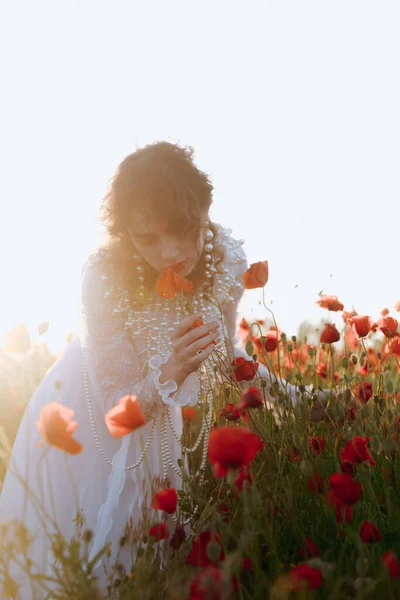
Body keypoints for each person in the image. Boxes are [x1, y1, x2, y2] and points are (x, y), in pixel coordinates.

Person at [0, 141, 326, 598]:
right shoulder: (104, 277)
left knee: (152, 568)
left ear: (204, 213)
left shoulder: (225, 261)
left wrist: (298, 401)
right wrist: (171, 370)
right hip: (85, 424)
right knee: (87, 565)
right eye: (146, 238)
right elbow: (117, 415)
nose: (168, 251)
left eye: (180, 228)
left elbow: (225, 355)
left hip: (159, 428)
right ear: (125, 236)